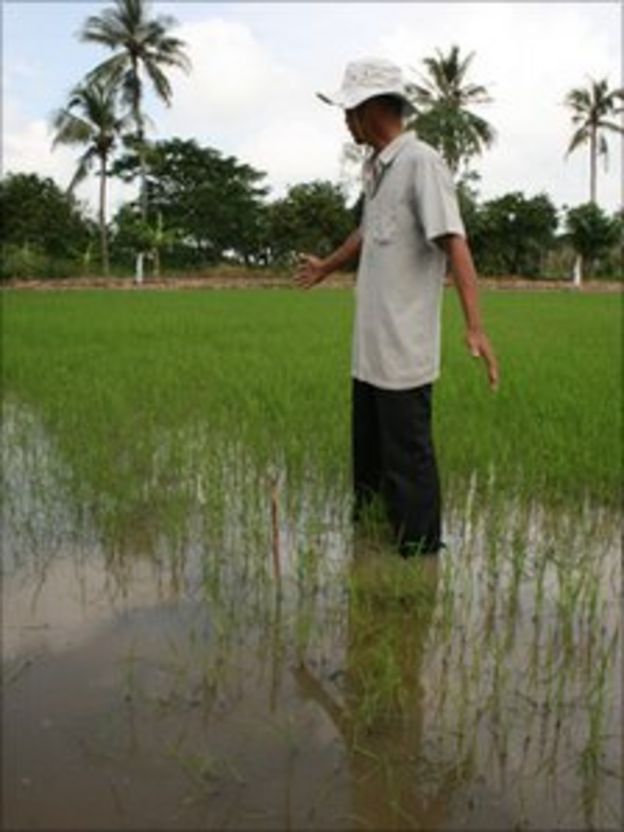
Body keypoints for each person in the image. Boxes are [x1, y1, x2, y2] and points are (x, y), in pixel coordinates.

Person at [295, 57, 499, 557]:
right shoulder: (377, 169)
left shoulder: (421, 163)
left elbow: (455, 241)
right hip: (369, 354)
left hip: (404, 356)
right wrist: (327, 267)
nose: (344, 120)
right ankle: (370, 553)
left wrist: (476, 327)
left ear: (370, 109)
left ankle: (419, 563)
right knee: (369, 469)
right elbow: (369, 232)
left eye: (348, 109)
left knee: (408, 465)